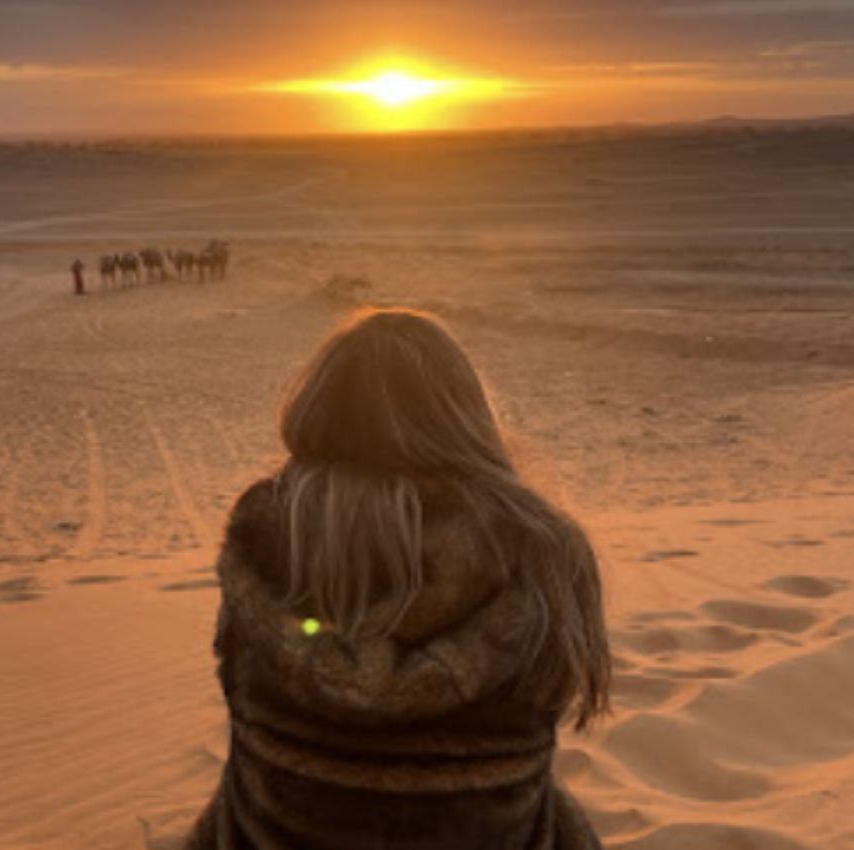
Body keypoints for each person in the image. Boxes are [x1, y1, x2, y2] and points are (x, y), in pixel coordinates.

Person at [187, 308, 611, 850]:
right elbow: (559, 698)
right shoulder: (545, 548)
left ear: (321, 405)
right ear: (467, 415)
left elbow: (238, 691)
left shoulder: (269, 537)